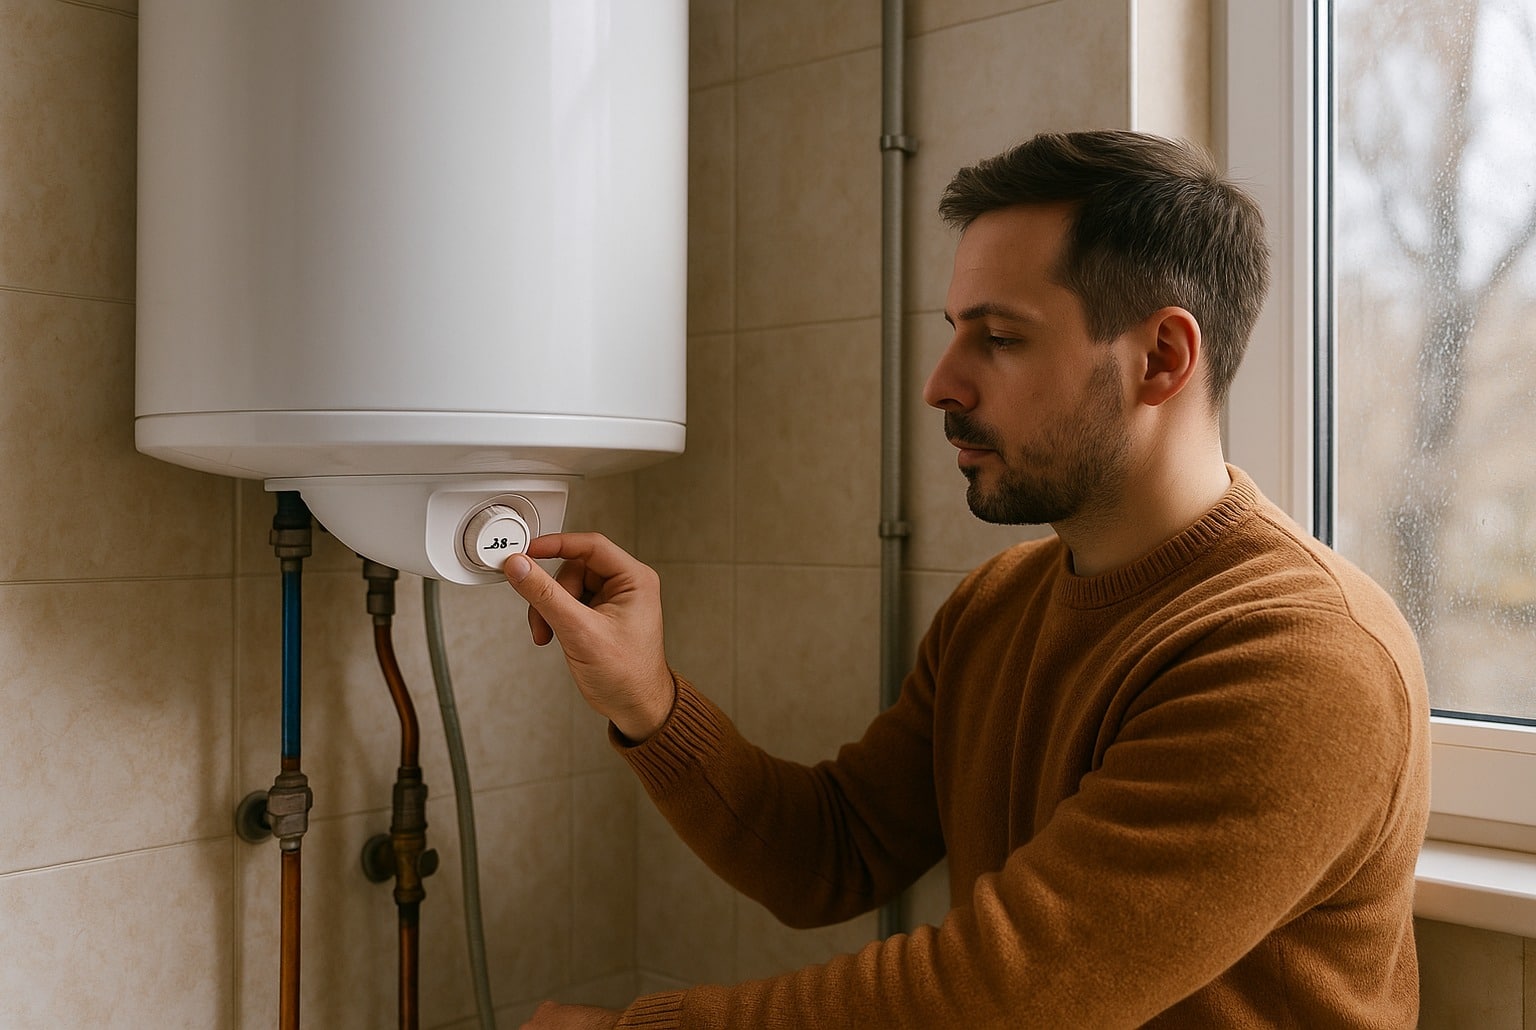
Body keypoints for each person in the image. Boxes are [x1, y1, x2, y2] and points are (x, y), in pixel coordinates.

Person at [505, 130, 1430, 1029]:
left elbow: (1005, 997)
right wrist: (648, 701)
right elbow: (834, 853)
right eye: (955, 332)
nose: (940, 384)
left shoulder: (1302, 659)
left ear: (1161, 359)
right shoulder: (996, 607)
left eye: (999, 338)